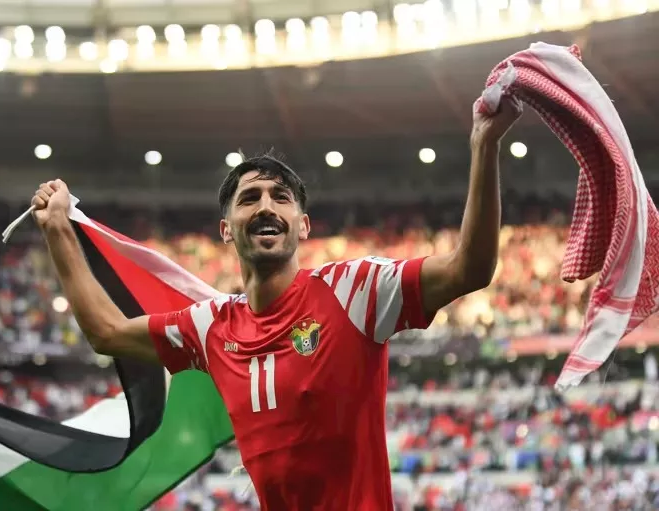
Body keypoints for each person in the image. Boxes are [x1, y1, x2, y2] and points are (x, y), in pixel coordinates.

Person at [32, 95, 523, 510]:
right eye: (249, 198)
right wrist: (58, 231)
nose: (266, 206)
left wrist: (484, 144)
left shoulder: (354, 290)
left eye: (280, 197)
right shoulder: (210, 326)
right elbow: (107, 332)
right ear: (227, 230)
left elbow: (469, 269)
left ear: (303, 226)